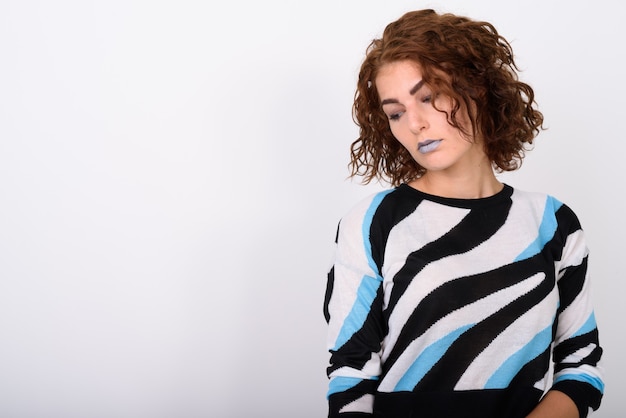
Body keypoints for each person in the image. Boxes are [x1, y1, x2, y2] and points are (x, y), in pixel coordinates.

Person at [323, 9, 604, 418]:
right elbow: (350, 377)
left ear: (477, 87)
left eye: (428, 96)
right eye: (396, 112)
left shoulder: (553, 223)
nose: (414, 123)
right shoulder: (373, 223)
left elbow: (581, 369)